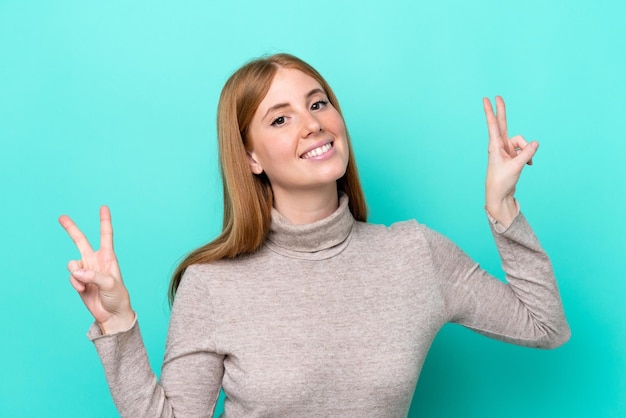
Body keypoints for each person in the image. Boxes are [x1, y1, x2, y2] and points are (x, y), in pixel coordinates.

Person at [59, 53, 570, 417]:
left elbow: (545, 326)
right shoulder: (212, 284)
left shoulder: (415, 254)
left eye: (318, 103)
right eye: (280, 118)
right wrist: (119, 324)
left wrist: (502, 207)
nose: (312, 124)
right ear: (251, 159)